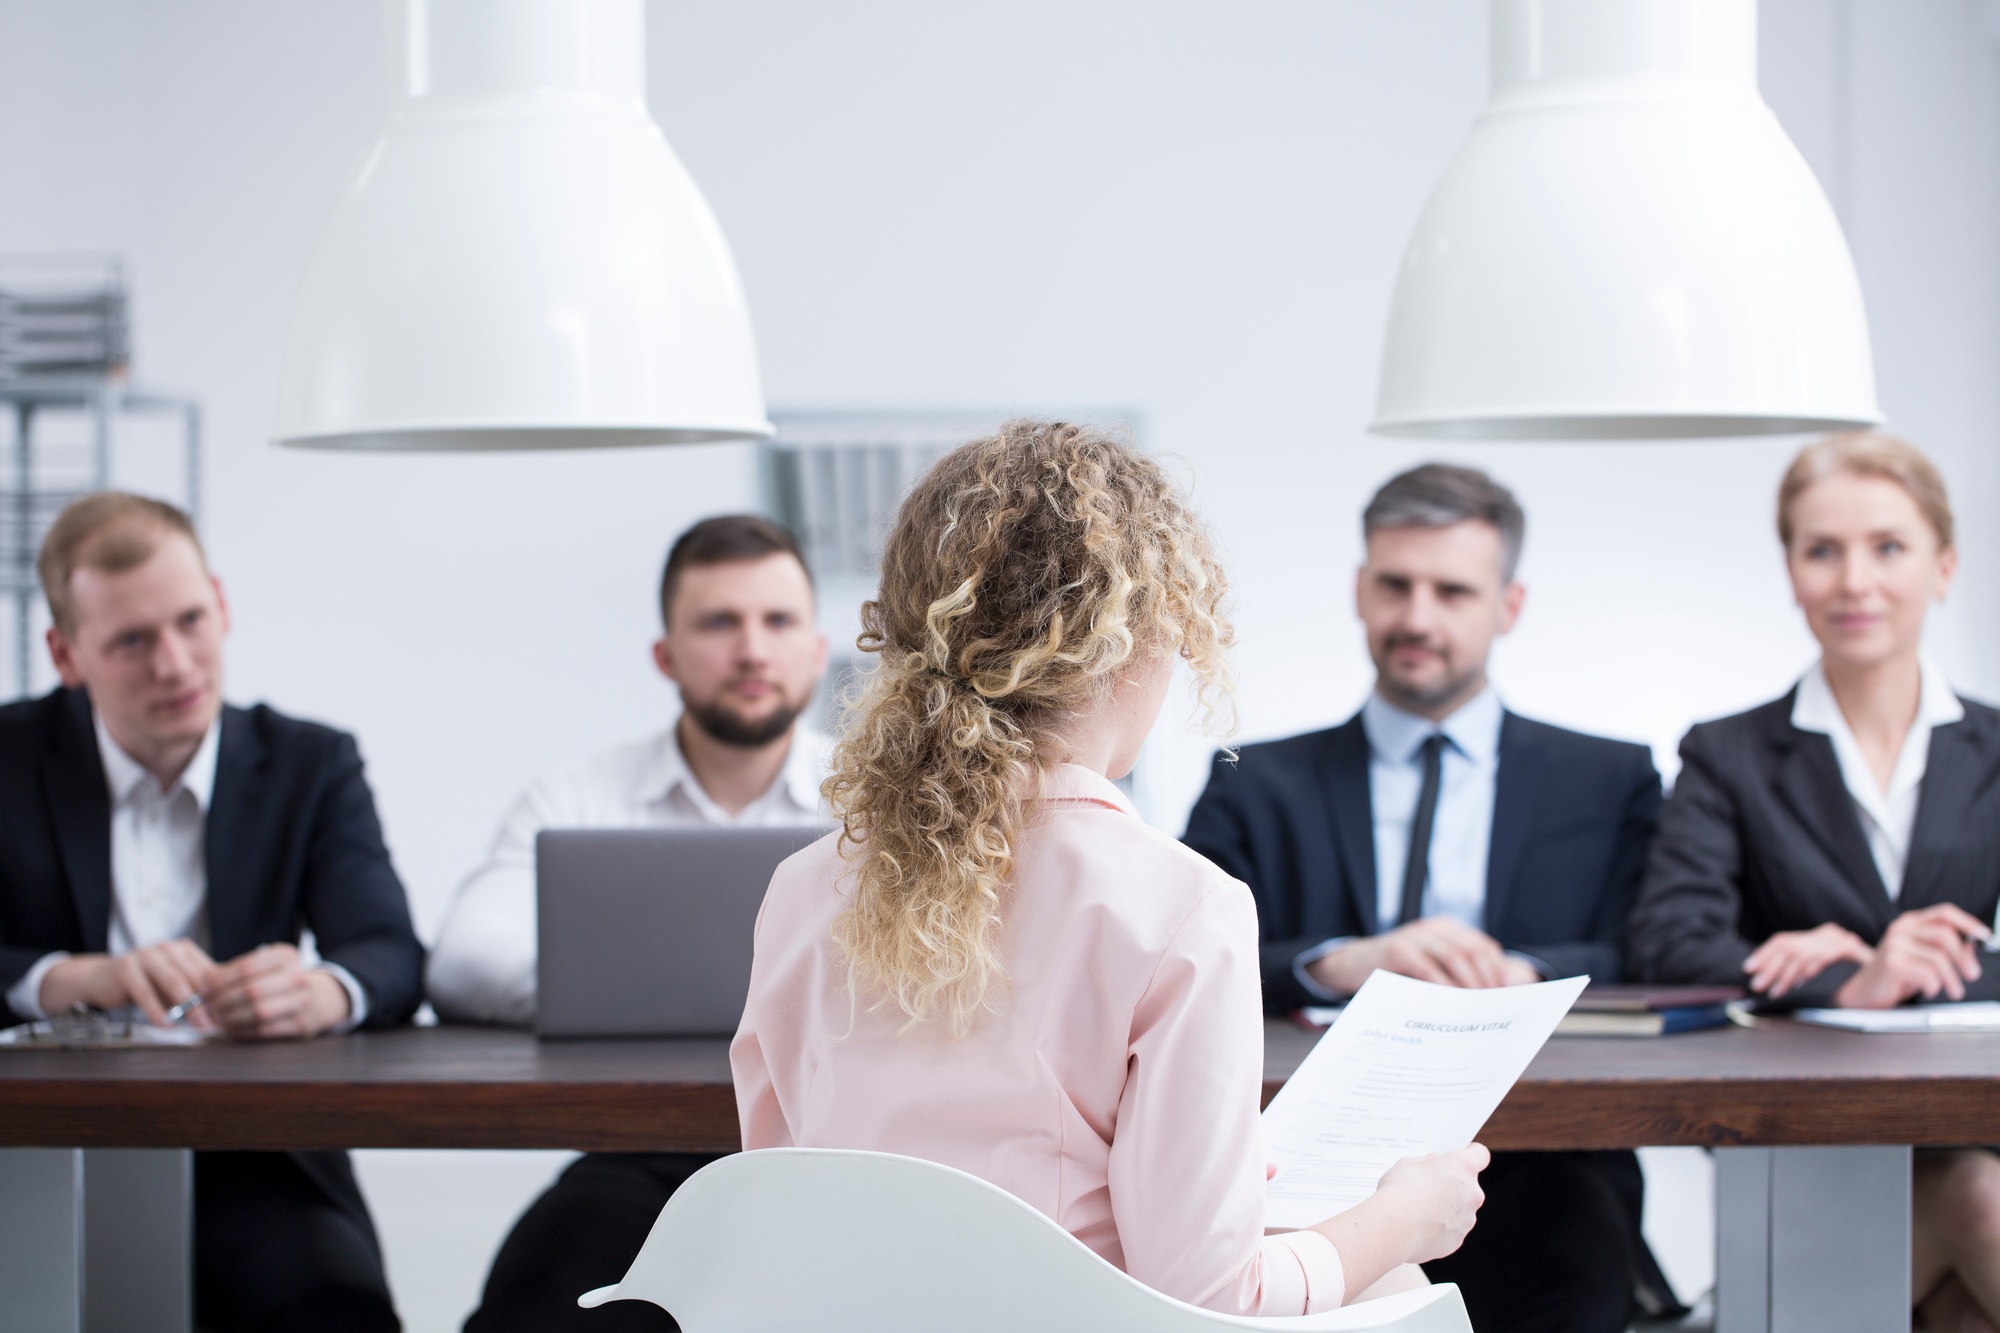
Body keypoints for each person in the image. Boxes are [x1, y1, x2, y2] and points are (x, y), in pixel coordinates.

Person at [734, 421, 1488, 1317]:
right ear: (1142, 638)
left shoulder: (800, 889)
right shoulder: (1184, 907)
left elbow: (775, 1209)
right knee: (1399, 1282)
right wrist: (1403, 1218)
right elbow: (1212, 1299)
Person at [1181, 463, 1671, 1333]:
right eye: (1395, 584)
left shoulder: (1609, 777)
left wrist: (1522, 972)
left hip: (1546, 1158)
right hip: (1305, 1165)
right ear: (1359, 589)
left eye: (1452, 591)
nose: (1417, 617)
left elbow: (1649, 946)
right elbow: (1183, 956)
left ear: (1509, 605)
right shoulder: (1254, 779)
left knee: (1576, 1275)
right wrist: (1334, 961)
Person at [0, 491, 422, 1333]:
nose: (175, 664)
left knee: (334, 1307)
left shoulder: (311, 762)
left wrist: (320, 992)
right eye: (131, 640)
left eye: (191, 621)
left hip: (253, 1155)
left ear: (222, 605)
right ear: (66, 654)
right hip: (30, 1151)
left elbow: (389, 950)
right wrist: (71, 979)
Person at [1628, 430, 2000, 1332]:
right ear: (1791, 572)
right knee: (1974, 1202)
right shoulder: (1728, 753)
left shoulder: (1996, 747)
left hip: (1974, 1117)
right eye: (1822, 550)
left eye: (1889, 547)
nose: (1854, 581)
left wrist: (1894, 969)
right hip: (1803, 1141)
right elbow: (1667, 943)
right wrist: (1849, 979)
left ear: (1944, 566)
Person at [434, 514, 832, 1333]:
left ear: (817, 649)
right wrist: (620, 990)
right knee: (534, 1299)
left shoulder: (880, 799)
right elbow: (463, 958)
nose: (752, 649)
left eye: (778, 620)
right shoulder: (578, 795)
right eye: (718, 622)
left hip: (836, 1162)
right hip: (641, 1154)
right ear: (665, 654)